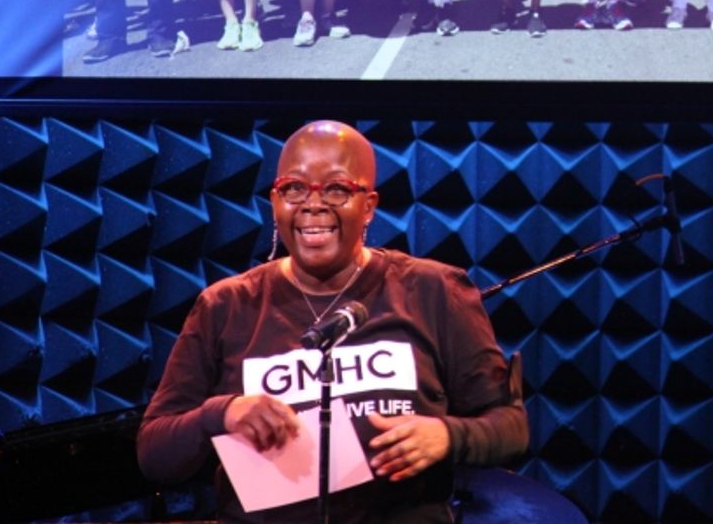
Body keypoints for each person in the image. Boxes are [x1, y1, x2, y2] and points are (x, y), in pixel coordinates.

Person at [138, 121, 528, 523]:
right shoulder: (225, 306)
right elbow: (154, 454)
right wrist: (222, 413)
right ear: (275, 201)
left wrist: (447, 436)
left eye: (337, 189)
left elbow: (510, 428)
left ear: (369, 206)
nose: (313, 204)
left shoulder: (433, 290)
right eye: (295, 188)